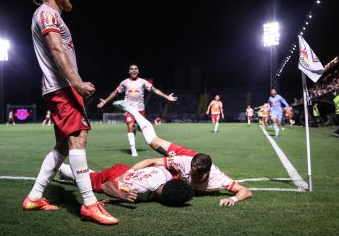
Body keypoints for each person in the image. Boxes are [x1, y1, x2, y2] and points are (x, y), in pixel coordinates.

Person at [24, 0, 118, 225]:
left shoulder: (50, 15)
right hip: (62, 87)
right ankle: (89, 204)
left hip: (58, 87)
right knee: (78, 138)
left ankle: (34, 197)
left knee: (64, 146)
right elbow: (55, 48)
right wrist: (75, 82)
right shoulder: (47, 13)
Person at [113, 100, 252, 206]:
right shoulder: (184, 163)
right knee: (153, 142)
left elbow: (245, 191)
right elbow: (152, 161)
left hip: (192, 161)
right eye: (193, 173)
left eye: (198, 176)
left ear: (207, 173)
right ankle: (131, 109)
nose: (194, 177)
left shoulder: (219, 180)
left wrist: (232, 198)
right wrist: (130, 171)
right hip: (186, 155)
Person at [97, 64, 177, 156]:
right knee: (130, 125)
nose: (134, 70)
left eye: (135, 69)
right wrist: (105, 101)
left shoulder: (143, 82)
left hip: (140, 110)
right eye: (132, 69)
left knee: (142, 129)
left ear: (138, 71)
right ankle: (133, 150)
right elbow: (115, 92)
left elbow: (154, 90)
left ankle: (137, 127)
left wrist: (166, 96)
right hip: (129, 108)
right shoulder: (124, 82)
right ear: (129, 71)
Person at [58, 163, 193, 206]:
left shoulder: (166, 174)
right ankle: (60, 167)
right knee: (84, 179)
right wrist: (121, 195)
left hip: (125, 169)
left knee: (94, 174)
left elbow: (155, 165)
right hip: (114, 178)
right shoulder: (140, 191)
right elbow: (106, 186)